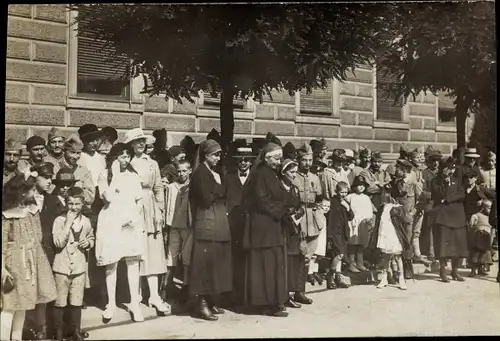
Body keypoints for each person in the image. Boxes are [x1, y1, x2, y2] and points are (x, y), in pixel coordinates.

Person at [1, 172, 57, 341]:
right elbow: (3, 243)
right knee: (10, 304)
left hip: (31, 263)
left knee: (23, 304)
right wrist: (3, 268)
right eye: (32, 190)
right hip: (14, 263)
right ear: (22, 192)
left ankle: (17, 338)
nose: (35, 193)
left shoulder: (33, 212)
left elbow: (38, 237)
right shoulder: (8, 216)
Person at [96, 143, 145, 322]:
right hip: (111, 222)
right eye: (122, 156)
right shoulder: (106, 175)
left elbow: (139, 200)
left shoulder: (133, 176)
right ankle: (111, 303)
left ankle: (134, 303)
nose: (126, 160)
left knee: (133, 264)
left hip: (129, 223)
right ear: (115, 157)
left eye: (128, 156)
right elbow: (107, 198)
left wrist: (134, 216)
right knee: (112, 263)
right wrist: (115, 176)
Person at [126, 128, 169, 314]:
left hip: (150, 207)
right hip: (132, 207)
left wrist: (160, 210)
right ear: (131, 145)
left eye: (143, 141)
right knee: (135, 252)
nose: (141, 144)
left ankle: (154, 296)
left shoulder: (153, 163)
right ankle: (135, 297)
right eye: (137, 141)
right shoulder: (125, 163)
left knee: (152, 251)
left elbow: (158, 187)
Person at [243, 138, 288, 317]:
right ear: (267, 158)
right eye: (276, 159)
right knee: (264, 265)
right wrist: (280, 211)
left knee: (272, 265)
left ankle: (273, 301)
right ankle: (264, 304)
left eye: (280, 159)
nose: (278, 162)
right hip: (263, 225)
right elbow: (262, 200)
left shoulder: (272, 174)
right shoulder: (260, 174)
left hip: (271, 225)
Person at [188, 139, 232, 321]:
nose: (218, 158)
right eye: (215, 154)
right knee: (205, 266)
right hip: (207, 224)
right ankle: (202, 304)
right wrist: (219, 188)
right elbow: (206, 199)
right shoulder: (201, 173)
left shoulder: (213, 173)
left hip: (217, 223)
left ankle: (211, 300)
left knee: (215, 264)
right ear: (206, 155)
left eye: (219, 154)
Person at [52, 187, 94, 341]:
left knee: (77, 300)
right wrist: (68, 223)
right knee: (60, 301)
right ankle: (58, 332)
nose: (74, 207)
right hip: (61, 266)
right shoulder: (59, 220)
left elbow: (91, 238)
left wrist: (88, 242)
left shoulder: (86, 221)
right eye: (70, 204)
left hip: (79, 266)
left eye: (77, 204)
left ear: (83, 203)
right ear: (66, 203)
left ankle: (76, 330)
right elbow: (58, 243)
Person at [224, 145, 254, 307]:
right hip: (232, 225)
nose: (243, 163)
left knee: (248, 260)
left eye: (246, 161)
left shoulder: (255, 178)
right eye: (240, 160)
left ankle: (247, 294)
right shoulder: (228, 178)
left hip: (250, 225)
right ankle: (232, 295)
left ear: (250, 162)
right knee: (233, 259)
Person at [431, 157, 468, 283]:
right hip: (443, 217)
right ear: (442, 169)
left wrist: (448, 199)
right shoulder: (435, 181)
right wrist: (444, 182)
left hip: (458, 217)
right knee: (444, 246)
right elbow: (438, 195)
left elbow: (462, 195)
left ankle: (455, 272)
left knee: (458, 245)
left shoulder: (457, 181)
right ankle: (443, 272)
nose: (450, 171)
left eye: (452, 168)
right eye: (448, 168)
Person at [292, 143, 323, 292]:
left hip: (313, 220)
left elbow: (319, 198)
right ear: (298, 160)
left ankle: (301, 290)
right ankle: (294, 289)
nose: (308, 163)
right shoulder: (293, 176)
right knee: (298, 256)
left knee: (308, 257)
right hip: (299, 219)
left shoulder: (315, 177)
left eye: (310, 160)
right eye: (304, 160)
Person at [164, 159, 193, 303]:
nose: (181, 174)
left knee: (187, 256)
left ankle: (186, 288)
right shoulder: (171, 187)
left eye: (184, 171)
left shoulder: (193, 186)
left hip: (187, 226)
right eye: (179, 171)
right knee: (171, 255)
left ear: (190, 171)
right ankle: (167, 286)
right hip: (174, 225)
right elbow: (167, 205)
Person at [280, 159, 307, 308]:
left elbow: (299, 205)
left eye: (295, 172)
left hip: (294, 228)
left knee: (297, 259)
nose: (294, 175)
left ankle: (296, 290)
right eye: (291, 172)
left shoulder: (294, 188)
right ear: (283, 172)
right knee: (286, 261)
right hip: (283, 228)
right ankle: (285, 295)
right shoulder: (279, 187)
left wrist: (298, 213)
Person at [370, 200, 411, 290]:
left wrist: (398, 209)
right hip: (385, 233)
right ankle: (384, 278)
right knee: (386, 257)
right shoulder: (382, 207)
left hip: (394, 234)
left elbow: (404, 220)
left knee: (397, 257)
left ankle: (401, 278)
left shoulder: (398, 207)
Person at [326, 181, 354, 289]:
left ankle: (337, 278)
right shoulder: (332, 201)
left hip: (343, 232)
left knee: (337, 255)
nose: (343, 194)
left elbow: (351, 216)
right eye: (341, 192)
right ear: (337, 191)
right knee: (340, 254)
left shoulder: (345, 202)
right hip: (335, 232)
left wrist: (347, 207)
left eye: (346, 192)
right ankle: (330, 275)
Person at [346, 177, 374, 273]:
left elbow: (369, 210)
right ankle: (352, 263)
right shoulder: (350, 197)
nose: (361, 187)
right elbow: (346, 209)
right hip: (353, 222)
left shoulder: (366, 198)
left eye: (363, 185)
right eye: (359, 185)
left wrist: (368, 219)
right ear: (354, 187)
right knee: (353, 243)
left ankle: (360, 262)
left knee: (361, 243)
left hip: (363, 223)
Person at [59, 134, 95, 209]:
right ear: (64, 152)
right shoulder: (56, 167)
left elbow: (90, 198)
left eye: (78, 153)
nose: (76, 157)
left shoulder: (84, 172)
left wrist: (75, 189)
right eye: (72, 152)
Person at [419, 148, 443, 262]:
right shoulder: (424, 174)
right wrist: (434, 195)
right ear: (429, 161)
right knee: (429, 229)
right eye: (434, 160)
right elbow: (422, 191)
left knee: (440, 229)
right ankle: (430, 252)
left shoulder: (441, 174)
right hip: (430, 205)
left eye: (438, 161)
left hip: (441, 206)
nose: (436, 163)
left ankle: (440, 252)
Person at [468, 200, 493, 277]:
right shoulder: (476, 215)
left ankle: (481, 269)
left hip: (486, 238)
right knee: (475, 254)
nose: (490, 210)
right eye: (489, 208)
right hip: (478, 238)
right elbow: (471, 225)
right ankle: (473, 270)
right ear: (483, 207)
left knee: (484, 254)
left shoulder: (489, 217)